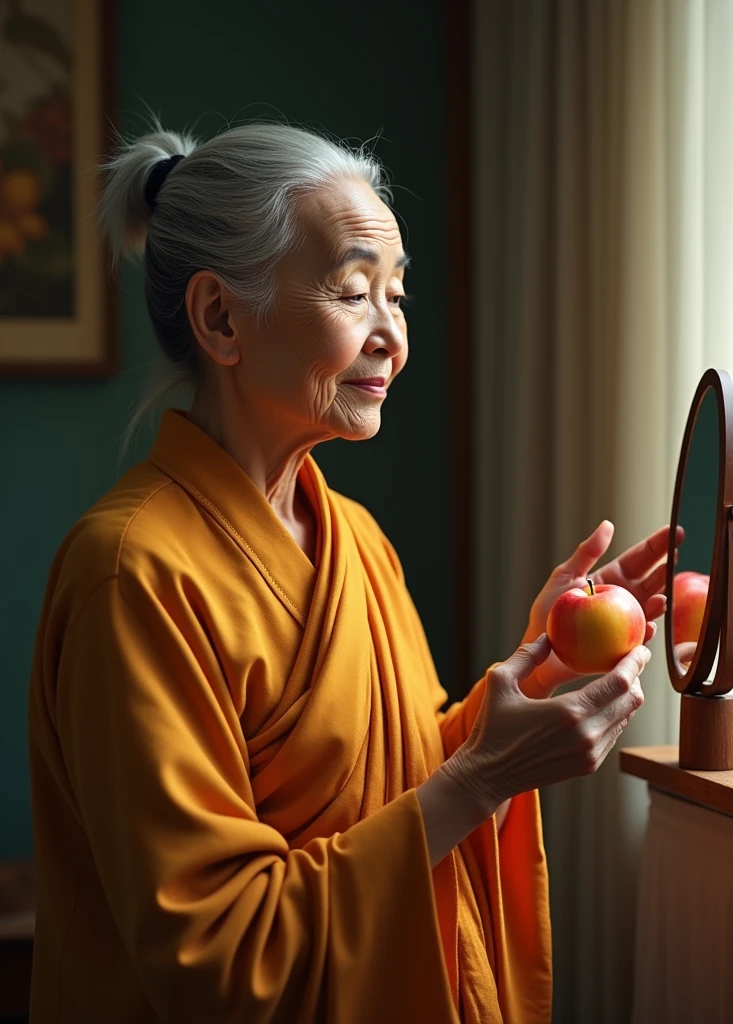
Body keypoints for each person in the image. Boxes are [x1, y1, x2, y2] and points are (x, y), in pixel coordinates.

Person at [26, 120, 676, 1024]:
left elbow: (393, 781)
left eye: (397, 297)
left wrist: (541, 672)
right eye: (352, 291)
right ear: (221, 318)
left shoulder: (355, 538)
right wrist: (482, 778)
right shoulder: (131, 572)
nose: (392, 337)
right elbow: (214, 953)